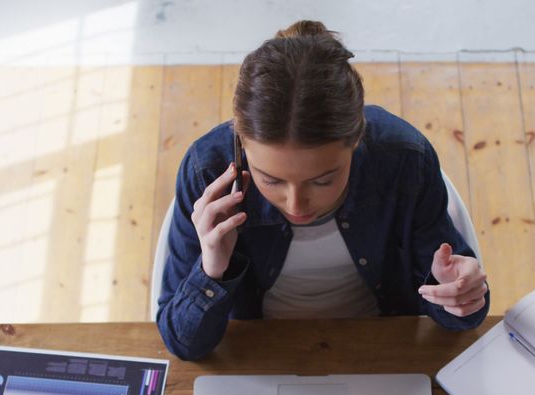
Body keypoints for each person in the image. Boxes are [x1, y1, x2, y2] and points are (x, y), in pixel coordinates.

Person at [157, 20, 489, 360]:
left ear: (357, 141)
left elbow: (461, 320)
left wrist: (461, 294)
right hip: (259, 354)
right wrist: (212, 268)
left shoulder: (403, 160)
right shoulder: (206, 169)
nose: (296, 204)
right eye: (270, 179)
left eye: (322, 179)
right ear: (241, 144)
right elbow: (184, 345)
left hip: (378, 347)